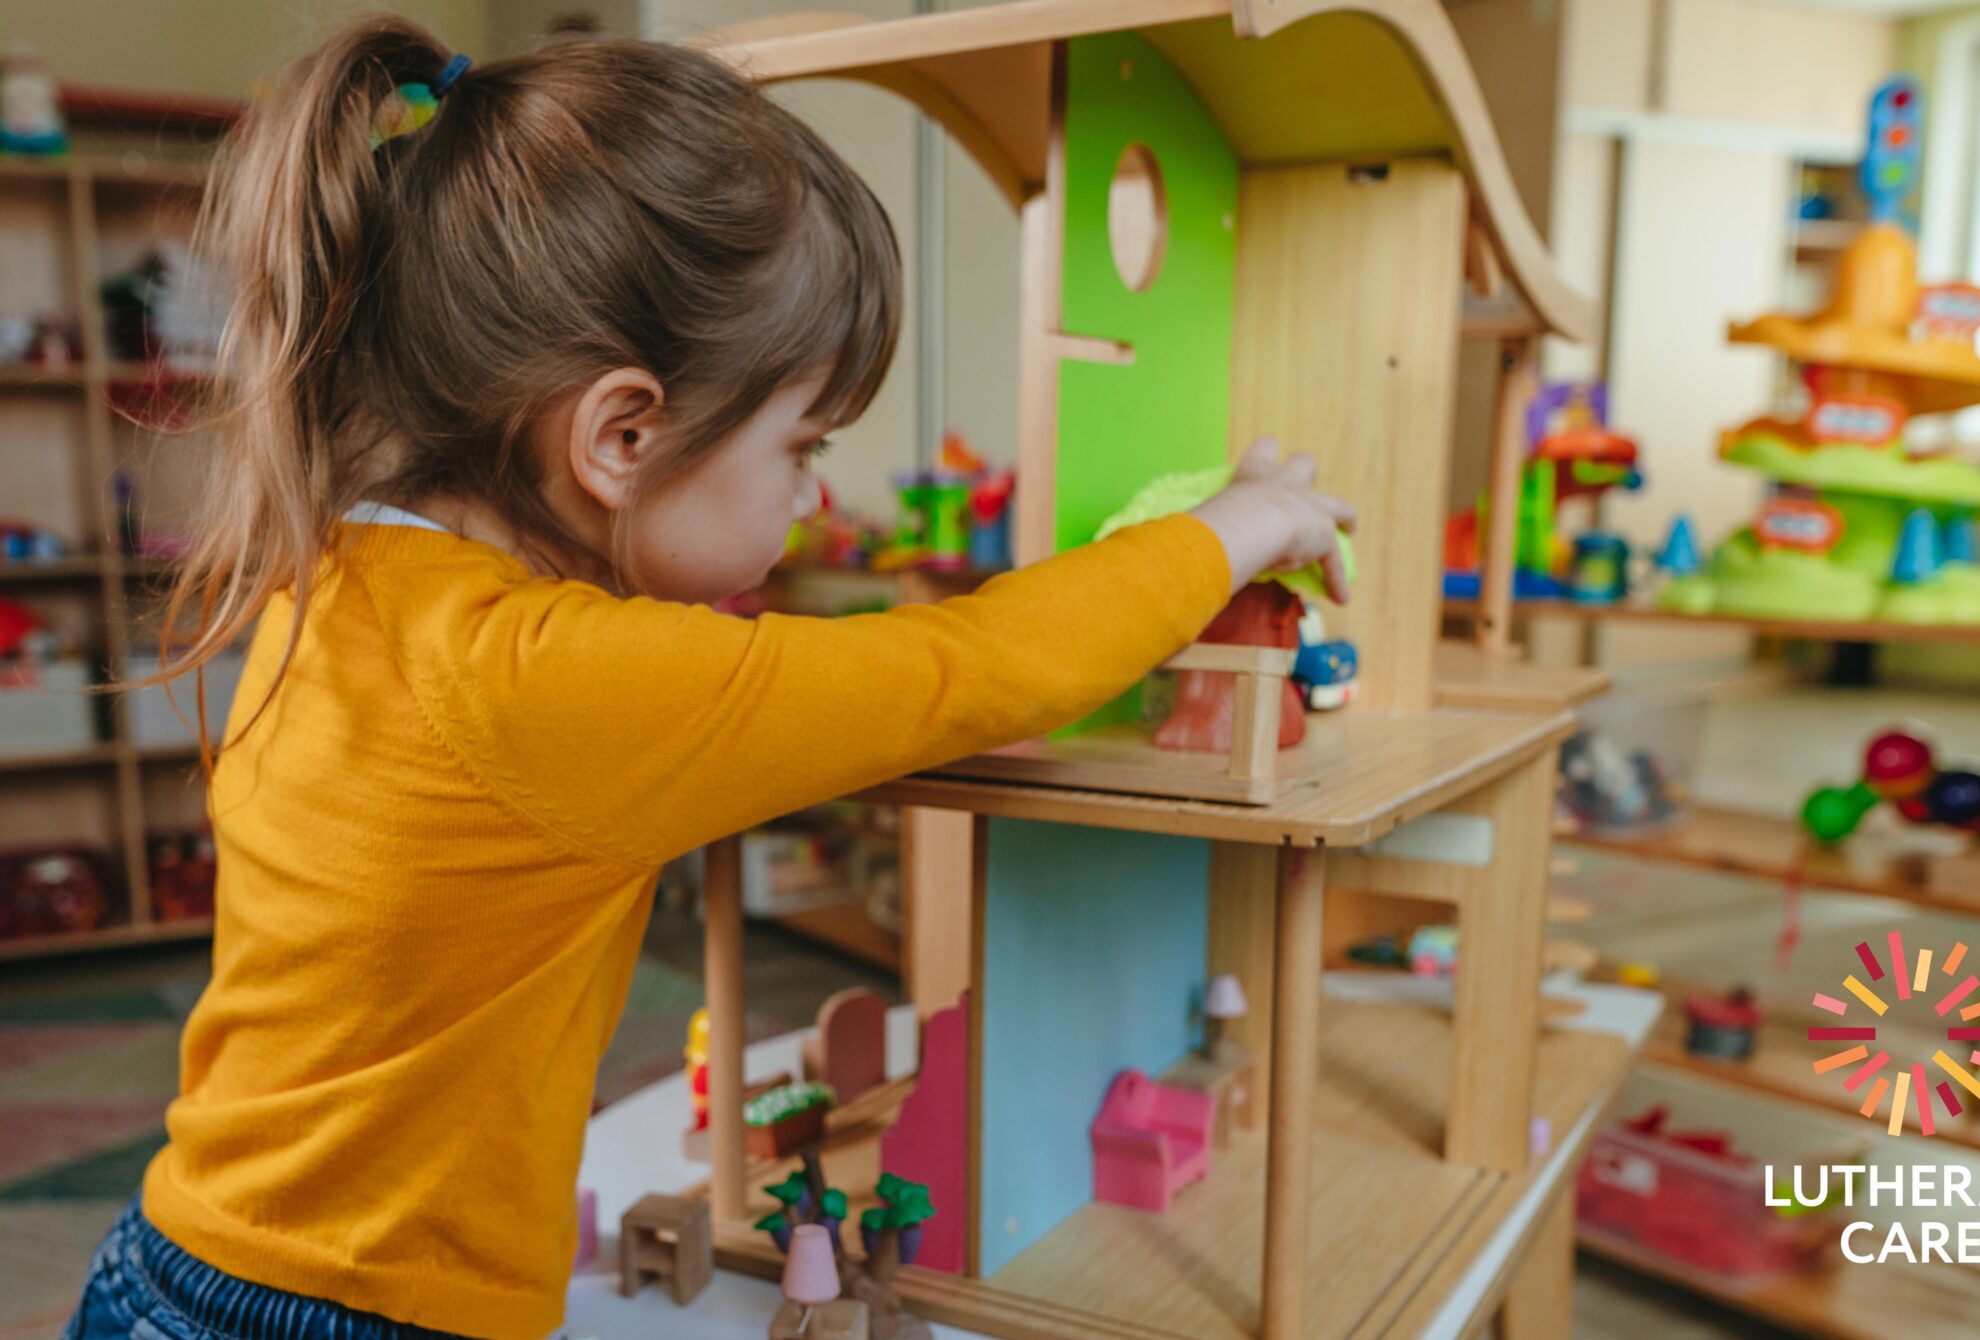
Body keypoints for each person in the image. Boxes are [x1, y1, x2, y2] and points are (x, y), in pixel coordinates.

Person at [68, 17, 1352, 1340]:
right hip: (350, 1315)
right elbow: (977, 667)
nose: (814, 493)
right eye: (803, 445)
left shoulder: (339, 574)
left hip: (174, 1260)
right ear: (621, 435)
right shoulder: (549, 677)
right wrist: (1241, 524)